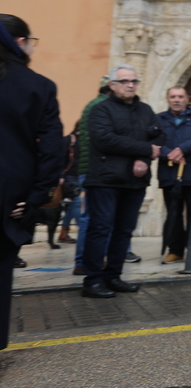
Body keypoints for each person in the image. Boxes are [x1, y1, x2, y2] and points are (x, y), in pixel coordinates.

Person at [0, 15, 63, 348]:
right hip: (9, 197)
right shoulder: (38, 86)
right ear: (21, 43)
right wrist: (37, 196)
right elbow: (53, 150)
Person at [82, 64, 160, 298]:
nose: (130, 85)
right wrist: (145, 150)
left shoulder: (146, 109)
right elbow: (105, 140)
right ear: (113, 85)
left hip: (135, 181)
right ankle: (93, 280)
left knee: (124, 231)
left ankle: (113, 276)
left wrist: (142, 157)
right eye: (125, 81)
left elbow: (159, 135)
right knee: (100, 229)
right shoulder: (100, 110)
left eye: (134, 81)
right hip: (105, 180)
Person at [156, 87, 191, 264]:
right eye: (173, 96)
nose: (176, 100)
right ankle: (176, 251)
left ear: (187, 99)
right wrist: (169, 154)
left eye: (180, 97)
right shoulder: (159, 119)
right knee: (174, 213)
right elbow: (152, 140)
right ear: (167, 99)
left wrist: (182, 149)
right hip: (169, 173)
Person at [71, 78, 111, 275]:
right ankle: (85, 262)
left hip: (88, 168)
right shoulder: (103, 106)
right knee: (92, 219)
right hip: (95, 170)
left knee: (91, 218)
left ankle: (85, 261)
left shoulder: (92, 105)